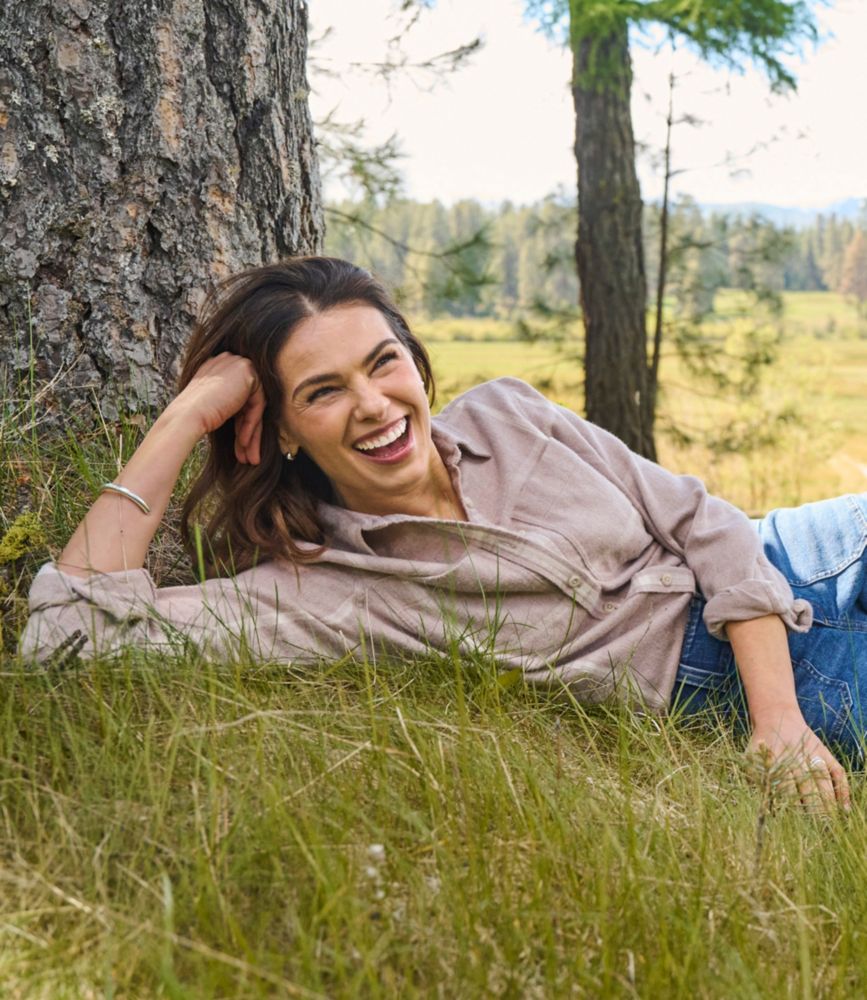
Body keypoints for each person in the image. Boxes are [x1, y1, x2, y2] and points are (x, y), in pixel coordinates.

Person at [21, 256, 866, 811]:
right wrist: (185, 417)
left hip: (797, 560)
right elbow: (65, 634)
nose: (374, 405)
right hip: (760, 668)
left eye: (382, 362)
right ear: (280, 429)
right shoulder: (320, 587)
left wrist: (778, 724)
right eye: (323, 392)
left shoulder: (508, 412)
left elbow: (701, 519)